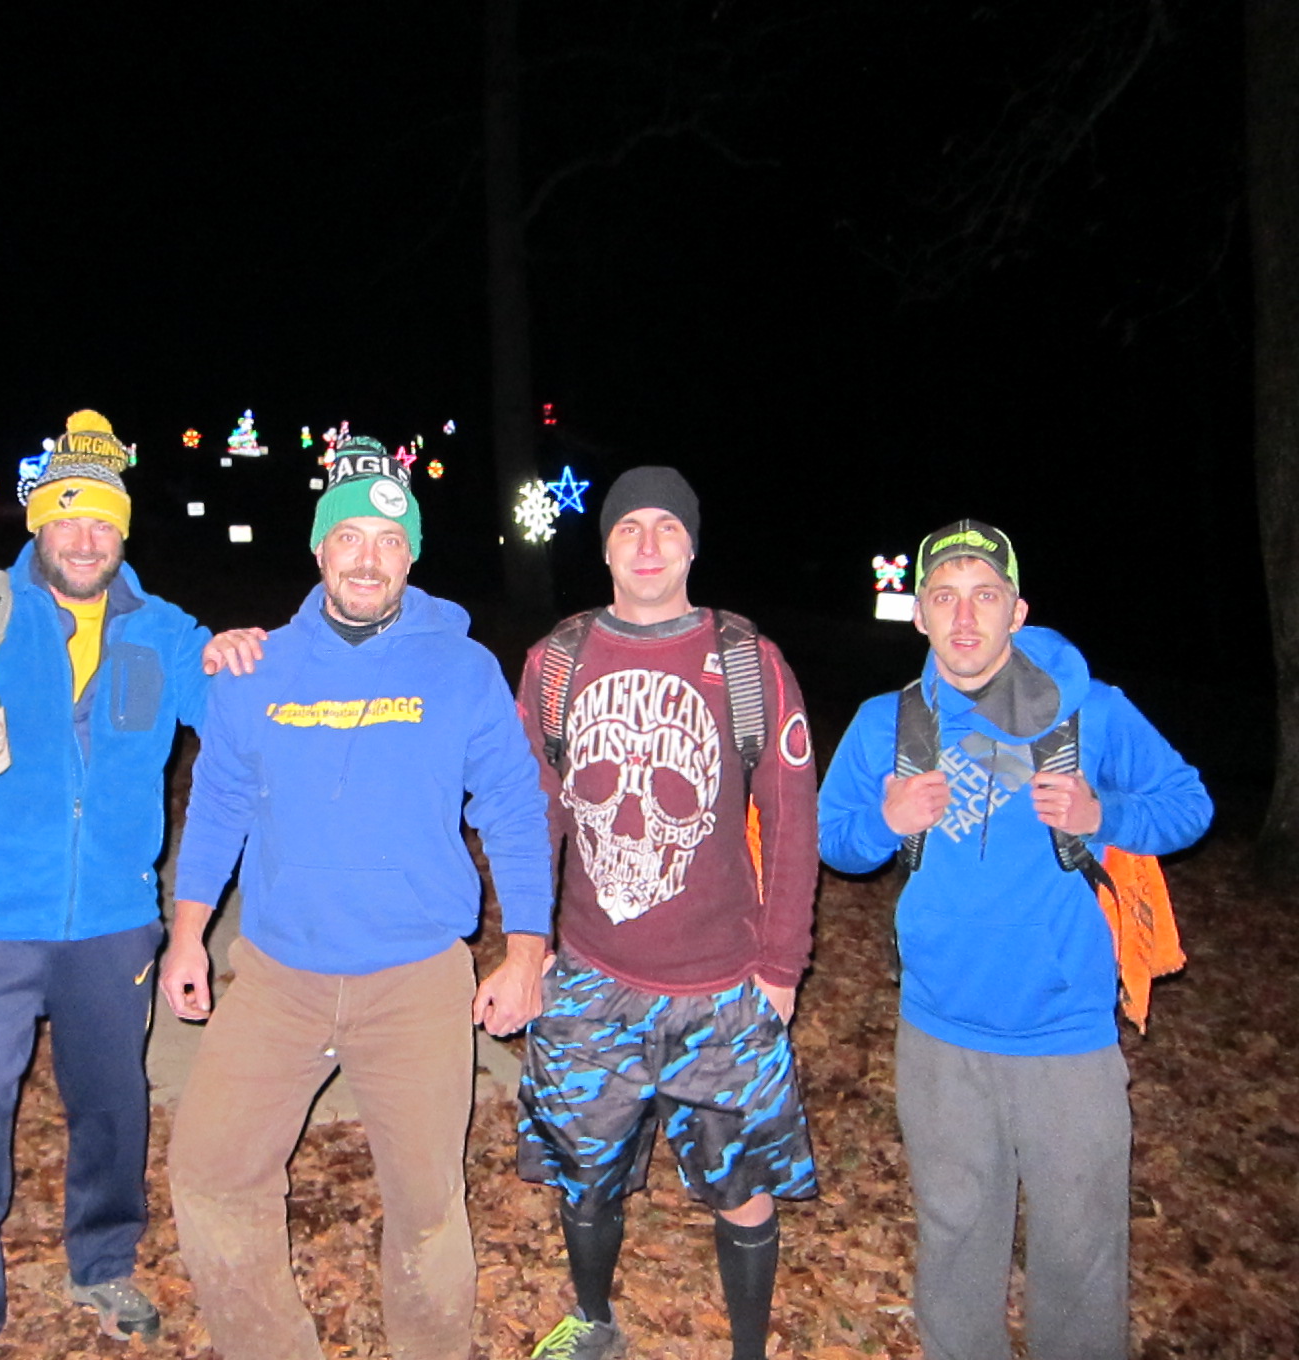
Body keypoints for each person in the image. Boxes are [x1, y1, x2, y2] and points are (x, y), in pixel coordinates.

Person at [0, 409, 259, 1360]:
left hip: (114, 921)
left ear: (124, 532)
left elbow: (238, 720)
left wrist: (249, 658)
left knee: (112, 1107)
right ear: (39, 523)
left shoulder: (163, 631)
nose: (85, 540)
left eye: (103, 522)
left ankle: (104, 1263)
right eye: (68, 518)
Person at [160, 437, 555, 1360]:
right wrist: (187, 935)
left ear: (411, 556)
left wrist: (527, 951)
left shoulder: (462, 670)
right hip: (278, 976)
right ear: (319, 549)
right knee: (211, 1173)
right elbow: (218, 803)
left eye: (388, 540)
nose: (368, 558)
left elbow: (512, 806)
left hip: (414, 980)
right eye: (349, 537)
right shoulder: (259, 668)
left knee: (427, 1209)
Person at [817, 519, 1212, 1360]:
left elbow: (1188, 803)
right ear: (919, 614)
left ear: (1018, 611)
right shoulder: (886, 722)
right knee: (955, 1244)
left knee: (1080, 1255)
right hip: (938, 1032)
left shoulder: (1093, 712)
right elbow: (835, 840)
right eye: (944, 598)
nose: (964, 618)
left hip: (1067, 1037)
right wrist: (886, 821)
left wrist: (1105, 815)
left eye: (985, 597)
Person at [514, 466, 819, 1360]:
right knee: (584, 1174)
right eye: (628, 528)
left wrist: (781, 965)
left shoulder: (747, 663)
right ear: (605, 546)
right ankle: (594, 1320)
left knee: (744, 1182)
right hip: (589, 977)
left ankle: (748, 1349)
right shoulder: (557, 662)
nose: (647, 545)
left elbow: (792, 821)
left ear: (692, 546)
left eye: (667, 528)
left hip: (723, 986)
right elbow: (534, 816)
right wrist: (529, 946)